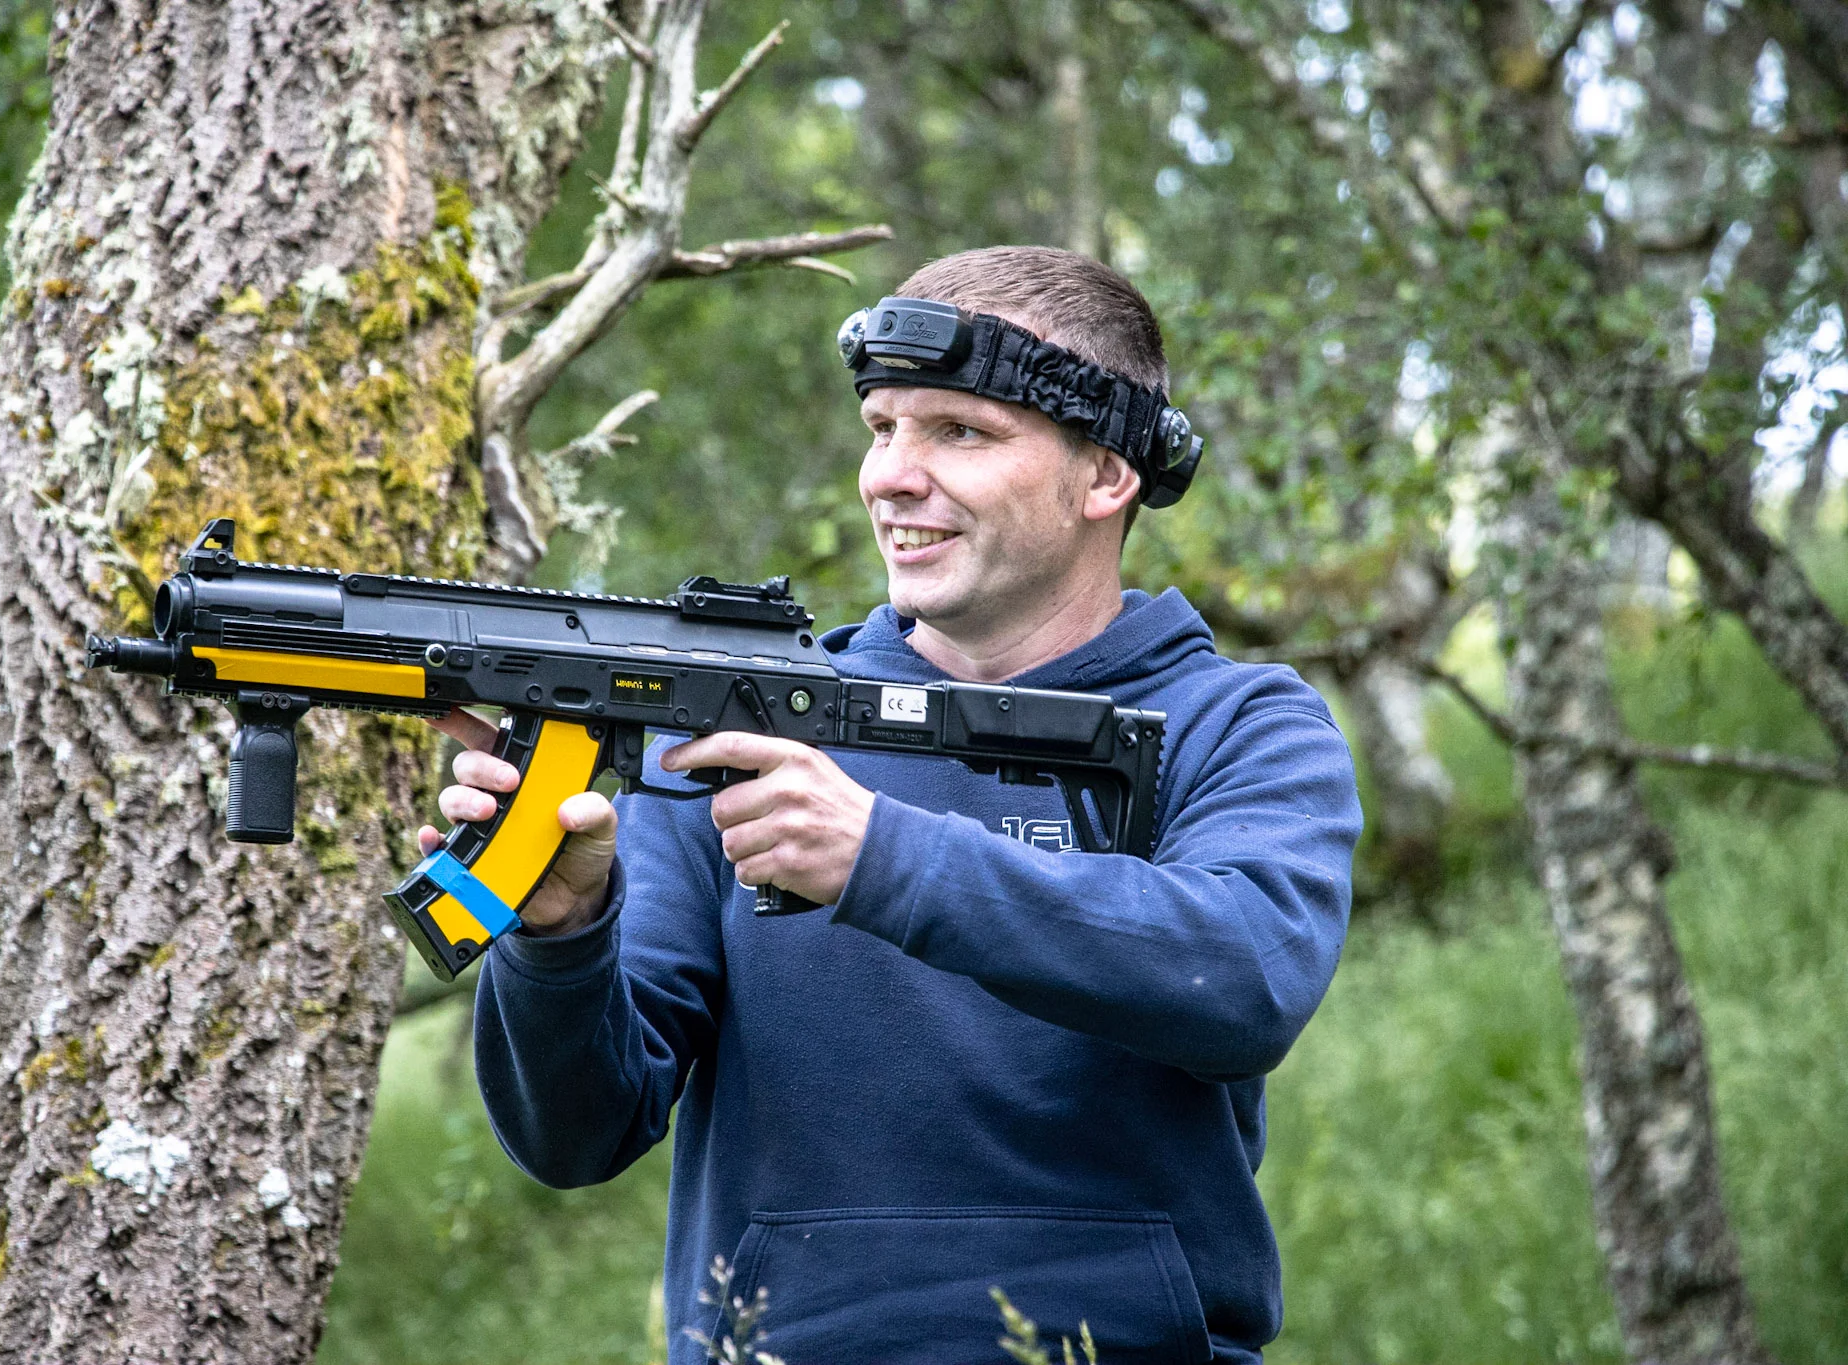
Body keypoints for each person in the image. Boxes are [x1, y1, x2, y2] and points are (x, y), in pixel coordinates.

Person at [421, 246, 1361, 1365]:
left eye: (958, 432)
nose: (890, 477)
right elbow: (572, 1136)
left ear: (1104, 474)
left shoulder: (1239, 724)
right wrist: (560, 936)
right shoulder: (731, 732)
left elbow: (1242, 976)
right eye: (881, 428)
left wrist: (881, 859)